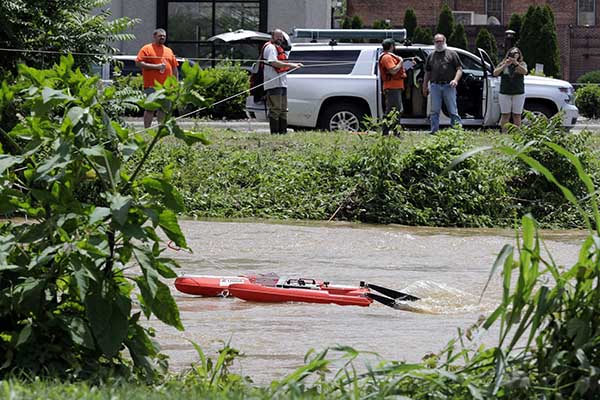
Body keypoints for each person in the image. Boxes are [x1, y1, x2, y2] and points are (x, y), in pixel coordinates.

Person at [136, 28, 179, 128]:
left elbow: (174, 68)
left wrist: (175, 84)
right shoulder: (147, 49)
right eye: (160, 36)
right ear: (154, 36)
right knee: (150, 109)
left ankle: (161, 128)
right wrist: (156, 67)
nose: (162, 38)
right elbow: (138, 63)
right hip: (152, 85)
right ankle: (146, 129)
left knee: (164, 109)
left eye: (164, 36)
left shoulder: (168, 50)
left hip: (167, 87)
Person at [261, 29, 302, 134]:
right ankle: (275, 133)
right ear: (272, 37)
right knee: (276, 109)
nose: (280, 38)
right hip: (273, 83)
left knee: (283, 109)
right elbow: (274, 62)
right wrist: (292, 65)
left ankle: (282, 133)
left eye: (281, 37)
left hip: (282, 83)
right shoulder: (270, 47)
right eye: (277, 36)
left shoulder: (280, 48)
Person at [423, 34, 463, 134]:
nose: (439, 43)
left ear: (444, 41)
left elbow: (459, 69)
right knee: (434, 111)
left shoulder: (452, 54)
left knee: (453, 111)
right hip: (435, 86)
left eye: (441, 41)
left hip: (449, 86)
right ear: (434, 42)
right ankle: (434, 131)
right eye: (437, 41)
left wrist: (455, 80)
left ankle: (457, 131)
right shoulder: (431, 56)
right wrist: (424, 86)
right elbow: (427, 72)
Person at [493, 47, 528, 132]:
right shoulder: (503, 63)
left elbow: (525, 72)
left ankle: (517, 133)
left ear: (519, 55)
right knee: (505, 114)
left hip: (518, 92)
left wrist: (516, 63)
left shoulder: (522, 63)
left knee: (517, 115)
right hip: (505, 92)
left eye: (516, 53)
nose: (514, 55)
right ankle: (504, 133)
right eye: (512, 53)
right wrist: (505, 65)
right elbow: (495, 73)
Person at [378, 38, 405, 135]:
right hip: (392, 87)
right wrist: (401, 61)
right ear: (392, 46)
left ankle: (393, 131)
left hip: (395, 87)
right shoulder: (387, 57)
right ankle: (390, 132)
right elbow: (393, 71)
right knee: (392, 111)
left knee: (397, 110)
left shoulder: (389, 57)